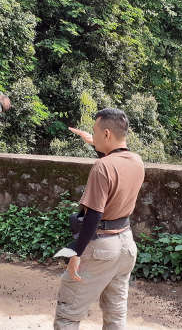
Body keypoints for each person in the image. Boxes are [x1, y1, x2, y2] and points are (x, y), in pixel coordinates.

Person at [54, 108, 145, 330]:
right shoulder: (136, 160)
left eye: (94, 132)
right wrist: (92, 143)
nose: (92, 135)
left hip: (101, 247)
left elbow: (94, 215)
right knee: (115, 314)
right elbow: (116, 166)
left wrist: (77, 252)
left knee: (68, 314)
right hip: (125, 244)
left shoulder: (102, 167)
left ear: (106, 133)